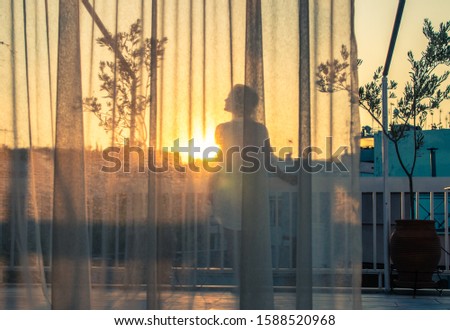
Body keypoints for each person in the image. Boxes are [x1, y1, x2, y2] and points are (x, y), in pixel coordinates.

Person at [210, 84, 295, 282]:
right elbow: (268, 161)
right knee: (250, 246)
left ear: (238, 102)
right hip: (251, 193)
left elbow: (219, 162)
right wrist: (286, 177)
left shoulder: (222, 129)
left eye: (229, 96)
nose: (225, 100)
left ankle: (242, 287)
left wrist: (210, 188)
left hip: (228, 194)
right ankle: (251, 289)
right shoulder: (259, 129)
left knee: (234, 246)